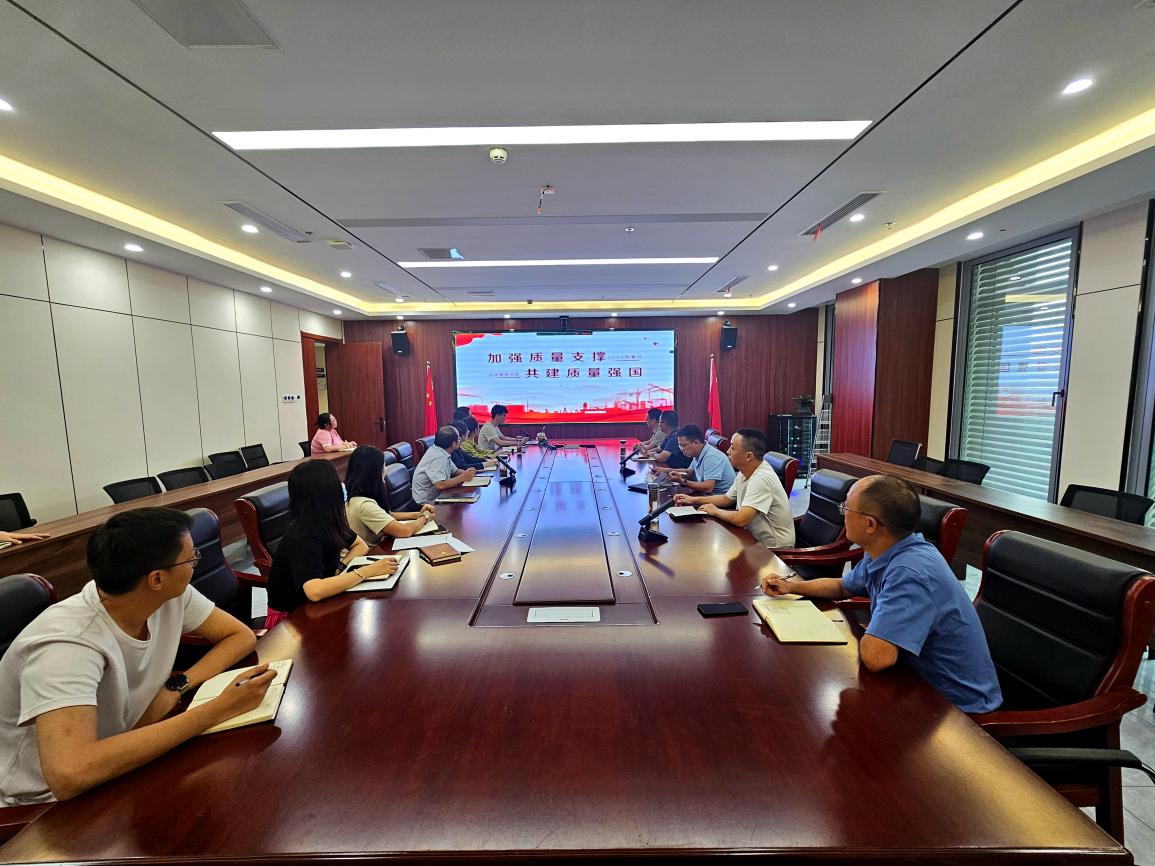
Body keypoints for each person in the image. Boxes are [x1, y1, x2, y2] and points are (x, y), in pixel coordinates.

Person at [0, 508, 276, 805]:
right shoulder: (67, 645)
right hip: (47, 803)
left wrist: (176, 687)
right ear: (156, 579)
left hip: (127, 748)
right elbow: (71, 774)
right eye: (191, 558)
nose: (195, 564)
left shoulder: (163, 594)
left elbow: (239, 637)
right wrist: (219, 709)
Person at [760, 475, 1001, 714]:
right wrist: (791, 587)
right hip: (912, 681)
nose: (842, 514)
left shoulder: (910, 572)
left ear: (870, 525)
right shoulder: (886, 549)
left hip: (954, 708)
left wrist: (865, 631)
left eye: (846, 508)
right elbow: (843, 587)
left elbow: (877, 658)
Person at [266, 460, 397, 627]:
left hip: (319, 605)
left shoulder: (327, 521)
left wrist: (341, 566)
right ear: (329, 493)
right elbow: (314, 591)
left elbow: (360, 545)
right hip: (290, 620)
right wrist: (367, 571)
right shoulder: (303, 536)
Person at [674, 428, 794, 547]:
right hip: (750, 538)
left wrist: (715, 511)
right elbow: (726, 499)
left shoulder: (761, 478)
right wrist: (692, 500)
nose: (728, 451)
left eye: (732, 448)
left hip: (772, 549)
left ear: (748, 456)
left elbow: (741, 519)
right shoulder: (745, 471)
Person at [344, 445, 437, 545]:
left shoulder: (358, 497)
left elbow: (387, 515)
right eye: (383, 466)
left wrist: (418, 514)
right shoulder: (364, 505)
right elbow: (404, 531)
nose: (385, 469)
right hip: (371, 553)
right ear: (375, 472)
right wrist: (425, 517)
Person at [411, 426, 477, 505]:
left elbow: (455, 471)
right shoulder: (438, 457)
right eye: (459, 439)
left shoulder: (442, 452)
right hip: (426, 503)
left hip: (439, 496)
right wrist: (463, 477)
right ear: (453, 444)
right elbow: (440, 485)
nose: (460, 440)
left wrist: (468, 473)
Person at [666, 425, 736, 495]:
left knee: (676, 498)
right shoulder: (699, 452)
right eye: (680, 446)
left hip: (720, 497)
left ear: (696, 442)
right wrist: (667, 471)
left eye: (683, 446)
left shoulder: (711, 457)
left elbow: (708, 488)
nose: (682, 449)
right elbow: (689, 472)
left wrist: (682, 481)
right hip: (707, 495)